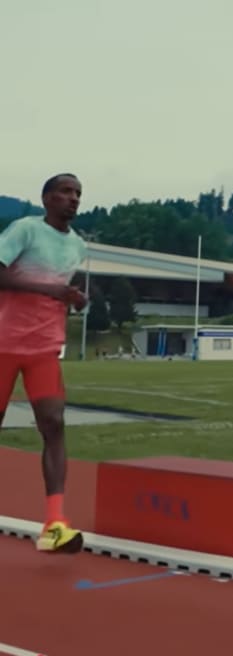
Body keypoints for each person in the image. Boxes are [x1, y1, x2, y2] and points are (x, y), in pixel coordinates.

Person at [0, 173, 88, 554]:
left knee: (53, 424)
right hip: (2, 343)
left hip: (43, 348)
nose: (74, 199)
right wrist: (48, 289)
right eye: (66, 192)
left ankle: (54, 524)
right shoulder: (25, 230)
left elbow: (58, 291)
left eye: (78, 194)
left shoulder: (78, 245)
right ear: (47, 198)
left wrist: (73, 300)